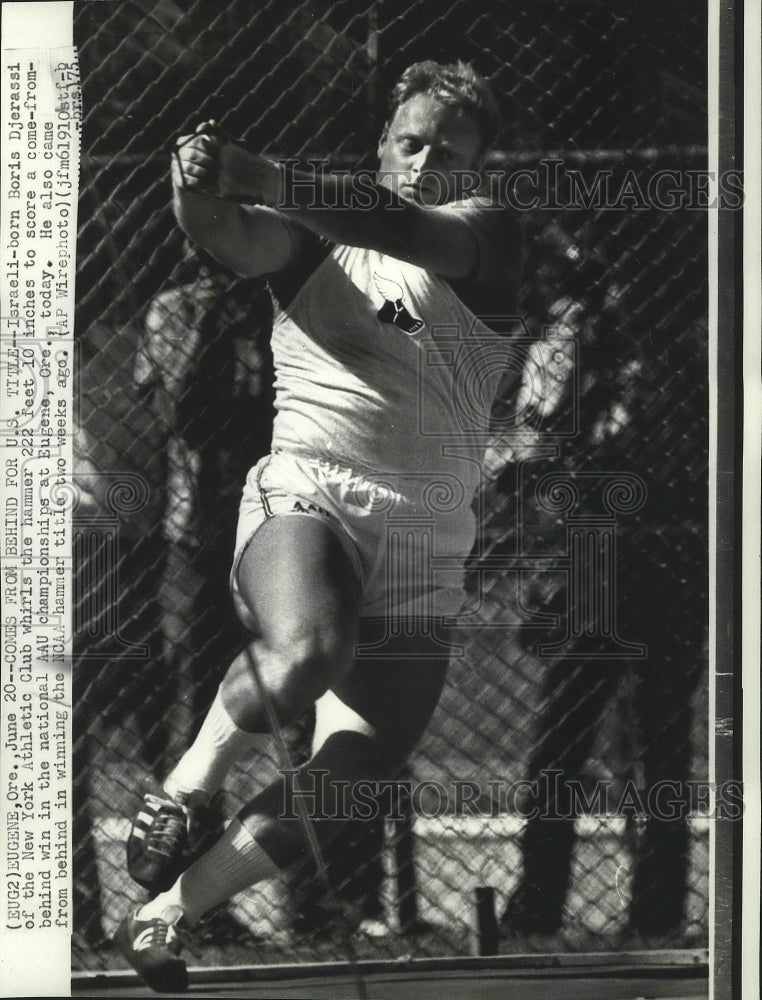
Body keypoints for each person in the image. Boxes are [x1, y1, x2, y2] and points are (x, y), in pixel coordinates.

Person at [115, 59, 522, 992]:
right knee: (309, 652)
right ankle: (185, 792)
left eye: (450, 152)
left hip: (428, 544)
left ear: (481, 168)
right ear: (382, 144)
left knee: (353, 779)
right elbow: (221, 229)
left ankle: (166, 914)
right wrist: (194, 184)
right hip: (314, 497)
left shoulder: (486, 234)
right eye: (410, 142)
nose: (426, 163)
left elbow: (395, 225)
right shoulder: (311, 244)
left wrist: (267, 174)